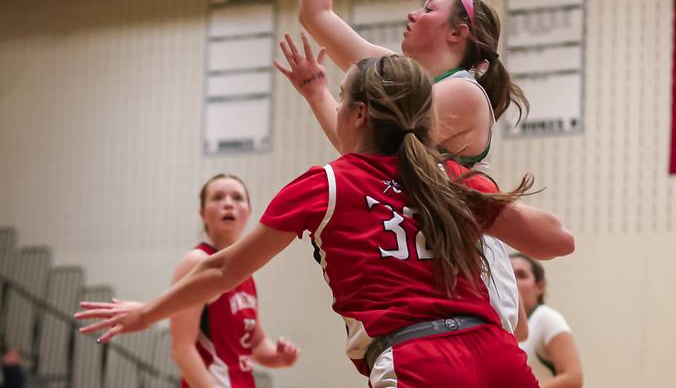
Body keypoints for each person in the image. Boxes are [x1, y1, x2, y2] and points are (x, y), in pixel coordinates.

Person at [76, 55, 574, 388]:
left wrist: (146, 314)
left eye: (339, 97)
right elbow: (558, 241)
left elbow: (220, 270)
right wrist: (478, 193)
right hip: (495, 356)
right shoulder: (447, 178)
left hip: (418, 358)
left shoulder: (327, 183)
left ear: (357, 114)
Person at [282, 0, 530, 339]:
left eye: (429, 7)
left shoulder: (464, 93)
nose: (413, 14)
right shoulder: (410, 84)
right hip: (430, 264)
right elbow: (316, 12)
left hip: (468, 271)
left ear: (457, 32)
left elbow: (362, 143)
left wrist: (319, 92)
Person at [171, 174, 299, 388]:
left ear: (249, 212)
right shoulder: (196, 263)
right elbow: (181, 348)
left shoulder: (245, 272)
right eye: (218, 197)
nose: (228, 204)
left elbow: (256, 344)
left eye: (237, 198)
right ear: (202, 213)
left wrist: (277, 357)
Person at [511, 254, 583, 388]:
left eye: (521, 275)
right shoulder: (503, 325)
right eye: (509, 274)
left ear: (540, 286)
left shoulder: (546, 318)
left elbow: (573, 378)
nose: (514, 281)